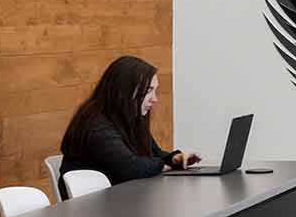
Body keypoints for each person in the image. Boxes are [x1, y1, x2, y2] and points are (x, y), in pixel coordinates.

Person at [58, 55, 197, 195]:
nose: (154, 99)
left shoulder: (129, 117)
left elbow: (154, 153)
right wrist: (163, 165)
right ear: (125, 90)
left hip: (120, 200)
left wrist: (173, 159)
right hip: (91, 209)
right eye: (149, 90)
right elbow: (131, 168)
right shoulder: (95, 124)